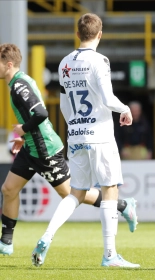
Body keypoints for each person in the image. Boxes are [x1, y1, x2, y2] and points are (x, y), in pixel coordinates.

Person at [0, 43, 138, 257]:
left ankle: (122, 205)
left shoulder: (20, 87)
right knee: (9, 189)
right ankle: (5, 243)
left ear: (8, 64)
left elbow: (41, 114)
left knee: (71, 194)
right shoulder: (18, 83)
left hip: (44, 148)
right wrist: (24, 136)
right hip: (31, 146)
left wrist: (23, 129)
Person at [31, 13, 140, 268]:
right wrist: (124, 109)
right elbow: (106, 96)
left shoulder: (64, 63)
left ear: (78, 34)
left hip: (76, 134)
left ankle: (47, 236)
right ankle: (110, 255)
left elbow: (63, 104)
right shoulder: (100, 60)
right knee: (109, 188)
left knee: (76, 193)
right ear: (100, 34)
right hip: (100, 134)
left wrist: (74, 127)